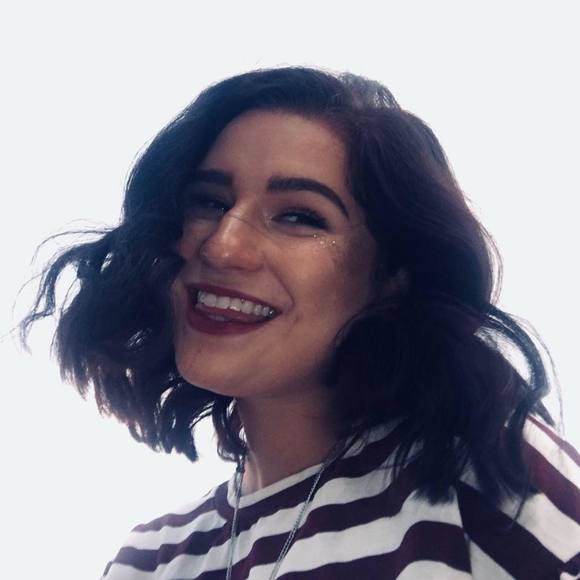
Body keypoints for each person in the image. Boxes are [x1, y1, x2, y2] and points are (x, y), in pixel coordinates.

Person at [20, 67, 579, 579]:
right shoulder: (151, 561)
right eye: (208, 202)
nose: (223, 245)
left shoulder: (494, 484)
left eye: (297, 216)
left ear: (393, 275)